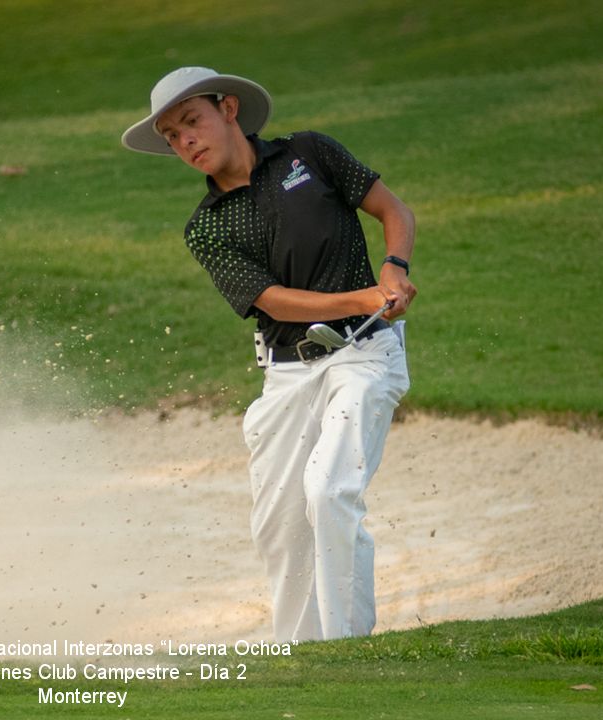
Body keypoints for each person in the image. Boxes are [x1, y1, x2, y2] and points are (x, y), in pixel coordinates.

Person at [121, 67, 417, 642]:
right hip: (286, 376)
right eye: (172, 136)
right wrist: (365, 296)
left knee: (328, 490)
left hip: (363, 354)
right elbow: (273, 301)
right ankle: (301, 656)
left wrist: (394, 267)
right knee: (281, 528)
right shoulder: (206, 227)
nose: (185, 141)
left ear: (229, 108)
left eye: (192, 121)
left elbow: (394, 211)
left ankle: (346, 650)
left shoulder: (310, 153)